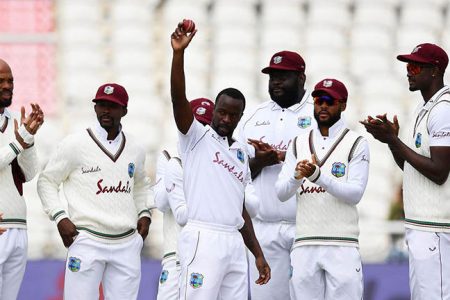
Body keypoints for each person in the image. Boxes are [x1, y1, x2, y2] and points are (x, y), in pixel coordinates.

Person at [170, 21, 270, 299]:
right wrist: (179, 55)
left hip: (234, 243)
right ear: (214, 111)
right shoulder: (196, 137)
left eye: (233, 115)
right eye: (222, 112)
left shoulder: (240, 152)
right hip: (203, 238)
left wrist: (258, 254)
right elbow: (179, 99)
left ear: (240, 116)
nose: (226, 119)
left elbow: (239, 209)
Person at [37, 83, 151, 300]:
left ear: (124, 110)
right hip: (87, 239)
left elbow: (140, 185)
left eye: (112, 106)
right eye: (101, 105)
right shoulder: (75, 144)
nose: (106, 110)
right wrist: (60, 218)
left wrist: (144, 212)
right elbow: (47, 181)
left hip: (127, 243)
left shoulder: (136, 148)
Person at [361, 43, 450, 299]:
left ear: (434, 71)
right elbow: (410, 168)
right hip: (421, 226)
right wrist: (391, 142)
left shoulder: (443, 110)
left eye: (414, 66)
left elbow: (439, 171)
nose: (408, 72)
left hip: (436, 228)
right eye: (407, 66)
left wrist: (394, 141)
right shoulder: (425, 109)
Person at [276, 78, 370, 299]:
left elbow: (355, 194)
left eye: (330, 101)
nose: (323, 106)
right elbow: (281, 193)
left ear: (343, 105)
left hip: (342, 244)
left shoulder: (356, 142)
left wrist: (318, 177)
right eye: (318, 100)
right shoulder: (298, 142)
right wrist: (296, 177)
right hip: (305, 242)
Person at [236, 50, 315, 300]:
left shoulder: (318, 113)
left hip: (306, 227)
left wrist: (284, 157)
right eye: (272, 76)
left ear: (301, 78)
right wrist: (259, 161)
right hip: (264, 227)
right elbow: (236, 171)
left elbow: (329, 160)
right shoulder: (253, 117)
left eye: (284, 76)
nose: (276, 82)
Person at [154, 98, 214, 300]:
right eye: (195, 124)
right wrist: (177, 168)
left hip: (207, 252)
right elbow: (161, 203)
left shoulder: (220, 159)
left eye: (205, 125)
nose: (197, 131)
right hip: (174, 253)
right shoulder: (169, 156)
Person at [0, 58, 44, 299]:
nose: (8, 86)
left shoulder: (18, 119)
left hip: (18, 226)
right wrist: (19, 141)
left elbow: (29, 173)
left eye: (11, 80)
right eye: (1, 81)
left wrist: (29, 139)